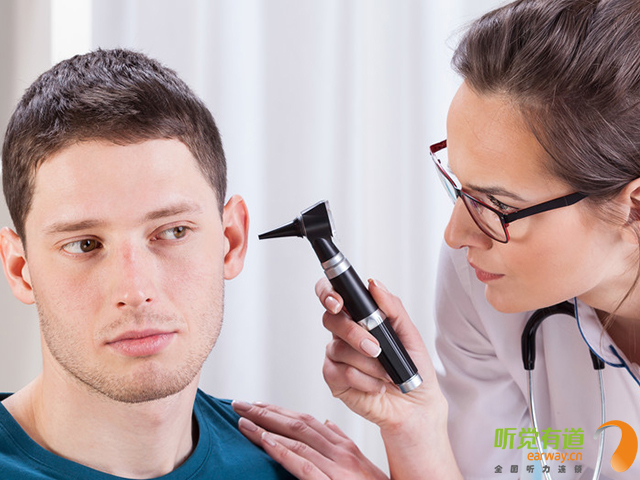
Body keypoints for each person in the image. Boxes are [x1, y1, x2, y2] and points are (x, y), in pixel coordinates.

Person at [233, 0, 640, 479]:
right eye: (459, 186)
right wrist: (415, 427)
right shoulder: (481, 278)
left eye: (498, 204)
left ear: (633, 206)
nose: (456, 234)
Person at [0, 48, 295, 479]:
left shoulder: (296, 466)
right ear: (19, 270)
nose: (135, 291)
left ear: (231, 241)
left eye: (173, 232)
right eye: (84, 244)